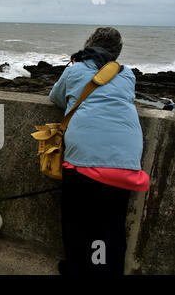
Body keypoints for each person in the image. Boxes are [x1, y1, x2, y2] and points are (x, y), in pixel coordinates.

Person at [49, 27, 149, 275]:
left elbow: (56, 97)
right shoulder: (126, 74)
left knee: (77, 221)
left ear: (88, 45)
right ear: (117, 52)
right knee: (111, 225)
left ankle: (76, 268)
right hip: (126, 158)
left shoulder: (74, 69)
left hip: (83, 156)